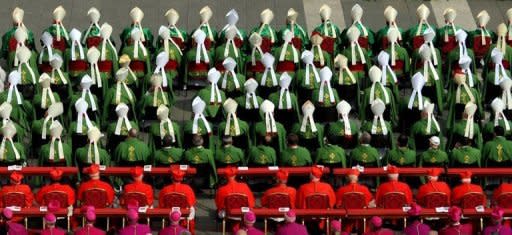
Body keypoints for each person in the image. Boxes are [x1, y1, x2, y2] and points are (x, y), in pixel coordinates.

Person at [159, 166, 196, 233]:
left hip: (169, 212)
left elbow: (161, 204)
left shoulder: (165, 189)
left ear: (171, 178)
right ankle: (190, 229)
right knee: (192, 208)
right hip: (183, 212)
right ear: (182, 178)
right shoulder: (188, 189)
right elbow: (191, 203)